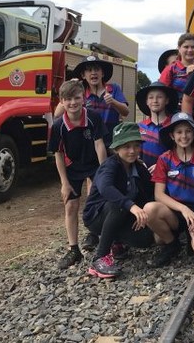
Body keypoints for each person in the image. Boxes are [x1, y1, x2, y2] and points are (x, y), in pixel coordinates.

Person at [82, 123, 155, 278]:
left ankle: (116, 242)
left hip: (122, 215)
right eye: (126, 146)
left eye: (136, 146)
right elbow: (106, 188)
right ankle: (99, 259)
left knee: (145, 239)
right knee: (120, 206)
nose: (132, 151)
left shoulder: (139, 168)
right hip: (96, 215)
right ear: (116, 149)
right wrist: (132, 207)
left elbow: (150, 192)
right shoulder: (109, 166)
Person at [49, 79, 108, 269]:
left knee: (99, 202)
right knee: (71, 206)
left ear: (83, 98)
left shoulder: (94, 117)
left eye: (76, 98)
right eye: (68, 99)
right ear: (62, 102)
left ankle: (101, 238)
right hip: (72, 167)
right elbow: (58, 155)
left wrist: (104, 173)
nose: (72, 103)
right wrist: (64, 183)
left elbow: (99, 145)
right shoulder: (58, 126)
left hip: (93, 164)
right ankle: (73, 249)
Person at [145, 112, 194, 267]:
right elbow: (159, 195)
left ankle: (193, 236)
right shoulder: (164, 159)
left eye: (188, 131)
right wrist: (183, 209)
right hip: (174, 212)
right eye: (179, 132)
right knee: (150, 209)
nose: (184, 136)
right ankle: (172, 243)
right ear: (172, 135)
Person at [71, 55, 130, 147]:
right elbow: (58, 113)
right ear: (83, 75)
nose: (93, 73)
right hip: (88, 143)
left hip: (112, 143)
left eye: (97, 69)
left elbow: (125, 112)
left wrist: (113, 101)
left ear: (102, 73)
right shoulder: (79, 92)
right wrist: (70, 87)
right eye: (89, 70)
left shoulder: (114, 89)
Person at [136, 82, 178, 172]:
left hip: (168, 178)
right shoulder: (139, 127)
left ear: (167, 100)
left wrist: (162, 165)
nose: (155, 100)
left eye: (159, 97)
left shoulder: (175, 126)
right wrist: (137, 162)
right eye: (151, 97)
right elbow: (135, 152)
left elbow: (181, 153)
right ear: (146, 101)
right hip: (144, 177)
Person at [159, 33, 194, 107]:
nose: (190, 50)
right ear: (179, 48)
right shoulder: (170, 69)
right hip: (175, 112)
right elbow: (161, 93)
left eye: (193, 47)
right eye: (186, 47)